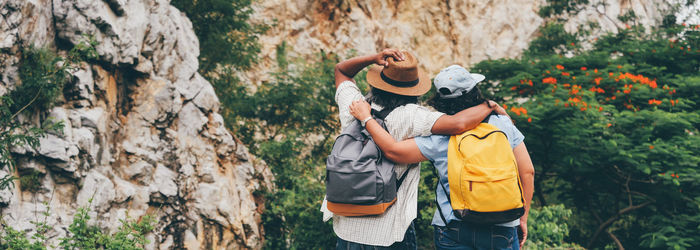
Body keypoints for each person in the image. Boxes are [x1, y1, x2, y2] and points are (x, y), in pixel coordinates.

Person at [325, 50, 508, 249]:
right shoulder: (413, 116)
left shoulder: (356, 105)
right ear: (413, 90)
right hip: (389, 232)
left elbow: (341, 71)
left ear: (377, 82)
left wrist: (373, 58)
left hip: (346, 230)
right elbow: (458, 124)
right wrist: (489, 105)